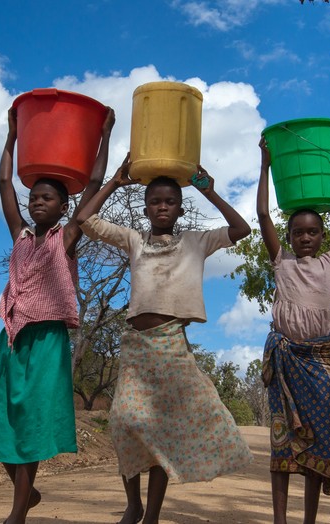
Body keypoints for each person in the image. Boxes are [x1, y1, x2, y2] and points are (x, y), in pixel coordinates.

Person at [76, 158, 254, 524]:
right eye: (155, 201)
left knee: (161, 432)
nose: (161, 207)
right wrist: (114, 182)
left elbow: (242, 228)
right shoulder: (134, 240)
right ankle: (133, 503)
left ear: (180, 207)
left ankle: (152, 514)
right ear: (145, 208)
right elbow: (85, 221)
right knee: (123, 422)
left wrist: (210, 191)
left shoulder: (196, 243)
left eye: (169, 201)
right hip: (137, 346)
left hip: (171, 343)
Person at [0, 104, 115, 524]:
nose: (38, 203)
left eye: (48, 199)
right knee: (1, 424)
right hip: (12, 339)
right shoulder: (20, 235)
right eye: (35, 198)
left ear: (63, 206)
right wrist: (12, 136)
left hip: (47, 341)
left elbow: (93, 183)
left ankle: (17, 514)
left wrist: (106, 138)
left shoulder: (67, 237)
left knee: (34, 424)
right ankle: (28, 494)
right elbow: (5, 179)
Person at [257, 138, 330, 524]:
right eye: (298, 232)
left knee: (319, 440)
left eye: (313, 232)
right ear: (289, 237)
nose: (305, 237)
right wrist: (265, 164)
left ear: (321, 236)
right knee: (282, 443)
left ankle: (309, 520)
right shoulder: (280, 262)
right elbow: (264, 215)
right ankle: (280, 520)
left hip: (319, 361)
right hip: (286, 360)